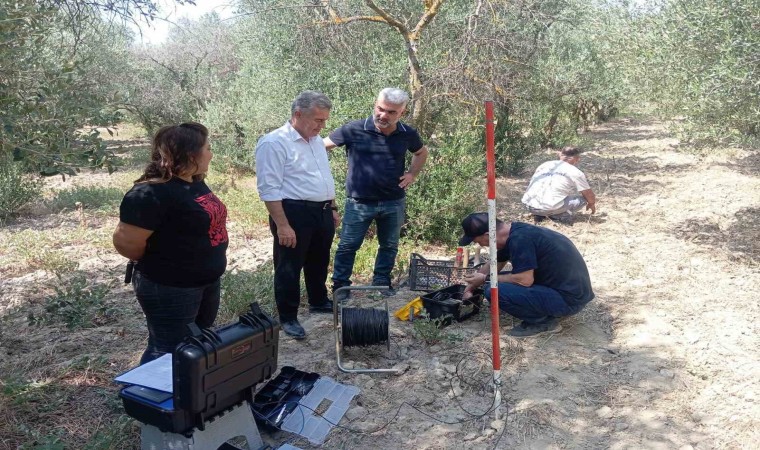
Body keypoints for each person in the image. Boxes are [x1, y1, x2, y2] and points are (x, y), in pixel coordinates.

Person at [113, 122, 228, 364]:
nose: (211, 153)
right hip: (170, 287)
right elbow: (126, 244)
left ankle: (189, 398)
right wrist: (167, 259)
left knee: (197, 343)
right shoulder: (149, 194)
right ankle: (148, 399)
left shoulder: (193, 181)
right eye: (207, 148)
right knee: (167, 350)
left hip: (205, 281)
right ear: (190, 154)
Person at [324, 88, 429, 301]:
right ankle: (340, 286)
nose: (383, 115)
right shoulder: (353, 129)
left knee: (389, 245)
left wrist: (412, 174)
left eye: (391, 112)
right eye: (380, 109)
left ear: (402, 112)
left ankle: (381, 283)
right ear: (375, 104)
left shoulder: (407, 133)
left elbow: (421, 152)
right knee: (348, 246)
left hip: (393, 202)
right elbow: (322, 146)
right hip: (359, 202)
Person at [255, 91, 339, 340]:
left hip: (322, 210)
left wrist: (332, 207)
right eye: (318, 120)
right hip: (293, 212)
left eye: (324, 120)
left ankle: (318, 300)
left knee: (319, 259)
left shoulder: (315, 141)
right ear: (298, 114)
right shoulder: (274, 143)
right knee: (289, 266)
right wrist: (282, 225)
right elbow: (269, 188)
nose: (322, 125)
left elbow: (325, 177)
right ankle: (288, 317)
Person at [459, 212, 594, 338]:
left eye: (477, 241)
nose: (480, 245)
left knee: (494, 290)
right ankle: (545, 309)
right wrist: (470, 288)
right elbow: (493, 266)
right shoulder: (514, 232)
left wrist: (485, 279)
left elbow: (524, 280)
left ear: (488, 235)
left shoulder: (520, 240)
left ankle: (543, 323)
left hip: (569, 300)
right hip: (568, 292)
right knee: (497, 281)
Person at [521, 146, 596, 224]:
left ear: (560, 154)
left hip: (529, 205)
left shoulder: (545, 165)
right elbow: (588, 194)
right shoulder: (575, 172)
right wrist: (591, 203)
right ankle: (559, 216)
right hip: (548, 208)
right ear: (577, 159)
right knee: (583, 199)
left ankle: (540, 214)